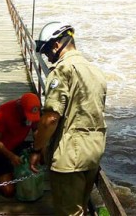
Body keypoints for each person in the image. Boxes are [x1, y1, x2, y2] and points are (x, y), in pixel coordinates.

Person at [31, 22, 107, 216]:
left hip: (69, 157)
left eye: (47, 50)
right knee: (81, 208)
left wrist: (37, 148)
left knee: (69, 212)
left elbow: (50, 119)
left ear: (57, 45)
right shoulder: (96, 71)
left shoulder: (62, 71)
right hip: (93, 152)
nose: (47, 57)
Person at [0, 93, 40, 197]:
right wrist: (11, 156)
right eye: (26, 114)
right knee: (9, 191)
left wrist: (37, 150)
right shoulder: (4, 111)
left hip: (18, 145)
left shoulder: (34, 111)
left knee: (44, 151)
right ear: (20, 106)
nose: (28, 118)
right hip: (1, 151)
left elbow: (36, 130)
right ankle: (1, 175)